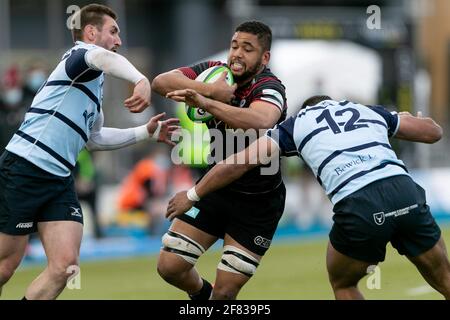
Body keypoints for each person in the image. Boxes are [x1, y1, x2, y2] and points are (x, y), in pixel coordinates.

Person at [167, 95, 450, 300]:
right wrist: (403, 117)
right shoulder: (365, 110)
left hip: (359, 202)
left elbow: (239, 162)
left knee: (344, 284)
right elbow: (433, 132)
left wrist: (193, 194)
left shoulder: (296, 124)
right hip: (404, 190)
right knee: (444, 278)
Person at [0, 4, 179, 300]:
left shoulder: (94, 84)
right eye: (114, 32)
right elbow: (100, 56)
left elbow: (94, 138)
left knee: (66, 267)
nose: (119, 40)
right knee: (6, 266)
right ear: (91, 33)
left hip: (58, 179)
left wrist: (145, 132)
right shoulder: (79, 56)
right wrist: (141, 79)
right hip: (25, 168)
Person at [152, 21, 288, 300]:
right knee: (170, 267)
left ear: (265, 58)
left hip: (258, 203)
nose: (237, 53)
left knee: (225, 293)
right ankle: (202, 294)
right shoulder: (215, 73)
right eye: (234, 45)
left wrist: (207, 102)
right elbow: (160, 82)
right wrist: (211, 91)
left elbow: (261, 121)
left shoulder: (269, 86)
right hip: (216, 189)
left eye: (248, 49)